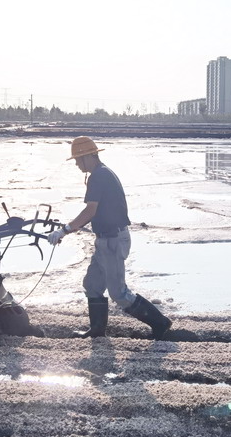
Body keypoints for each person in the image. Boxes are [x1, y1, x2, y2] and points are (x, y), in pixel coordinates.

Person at [47, 136, 172, 340]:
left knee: (119, 293)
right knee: (92, 285)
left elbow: (90, 211)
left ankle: (160, 323)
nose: (77, 164)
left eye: (77, 160)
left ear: (88, 156)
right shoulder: (102, 173)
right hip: (105, 240)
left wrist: (65, 230)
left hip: (113, 240)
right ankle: (97, 331)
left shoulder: (99, 176)